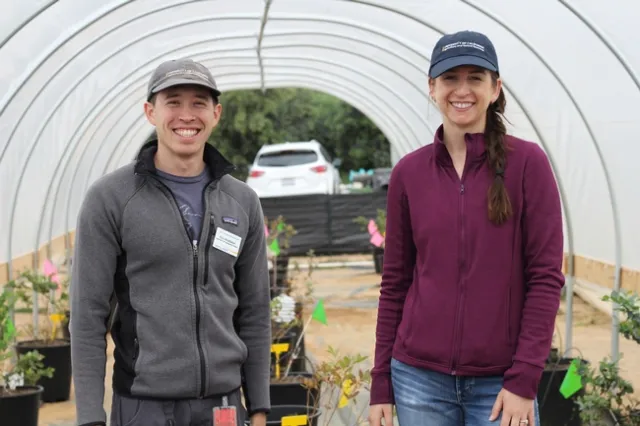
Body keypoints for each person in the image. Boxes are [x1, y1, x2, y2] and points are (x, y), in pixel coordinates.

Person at [368, 30, 564, 426]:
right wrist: (381, 382)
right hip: (418, 380)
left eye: (475, 77)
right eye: (450, 78)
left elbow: (545, 279)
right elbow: (395, 283)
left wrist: (524, 379)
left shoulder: (527, 164)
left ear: (495, 89)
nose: (462, 89)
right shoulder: (409, 173)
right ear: (432, 88)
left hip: (500, 384)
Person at [70, 58, 272, 426]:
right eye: (173, 101)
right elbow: (87, 316)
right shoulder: (111, 198)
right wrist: (88, 417)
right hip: (144, 405)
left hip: (224, 406)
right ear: (150, 112)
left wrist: (258, 406)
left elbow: (255, 311)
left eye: (199, 102)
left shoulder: (242, 202)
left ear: (216, 113)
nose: (186, 114)